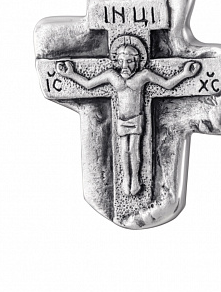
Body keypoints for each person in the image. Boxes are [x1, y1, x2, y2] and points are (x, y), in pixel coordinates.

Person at [57, 44, 200, 195]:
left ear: (137, 62)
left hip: (136, 119)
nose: (125, 65)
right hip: (122, 120)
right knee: (123, 150)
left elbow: (167, 84)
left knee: (133, 149)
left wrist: (185, 74)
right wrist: (70, 74)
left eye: (129, 61)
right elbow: (88, 84)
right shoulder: (112, 76)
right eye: (121, 61)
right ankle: (126, 178)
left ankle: (135, 180)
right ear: (117, 61)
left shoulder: (143, 75)